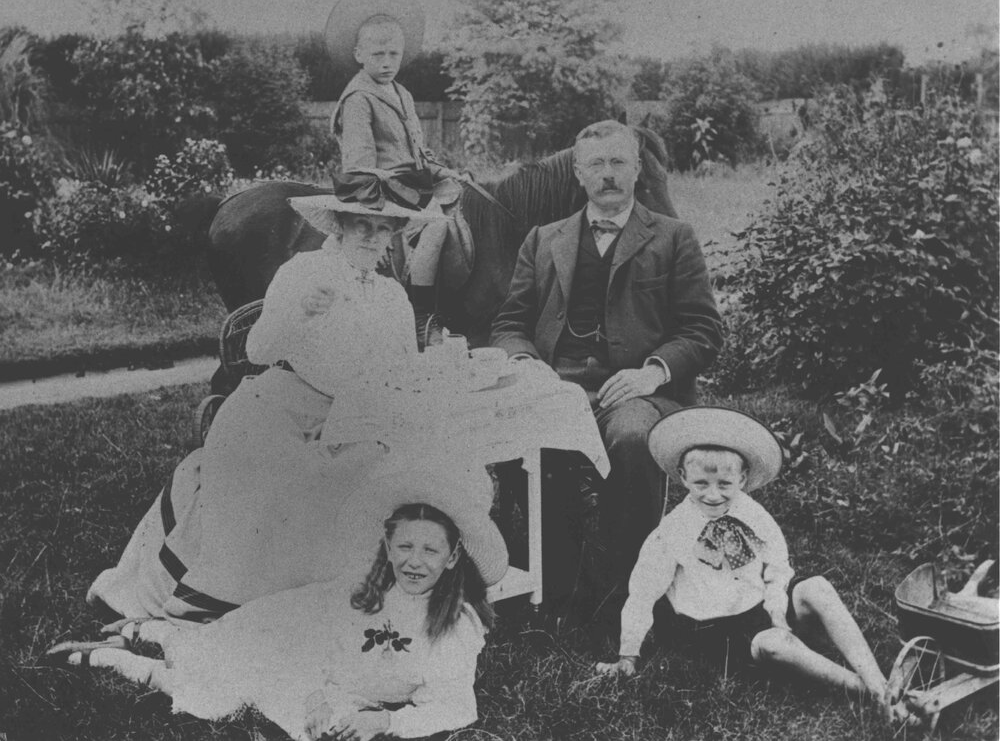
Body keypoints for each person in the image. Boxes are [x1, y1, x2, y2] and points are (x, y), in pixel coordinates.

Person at [86, 173, 449, 622]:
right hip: (284, 403)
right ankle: (223, 602)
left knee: (391, 474)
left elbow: (400, 368)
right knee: (273, 479)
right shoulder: (303, 273)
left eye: (382, 230)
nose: (372, 238)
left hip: (355, 417)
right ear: (339, 224)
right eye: (361, 226)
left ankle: (330, 604)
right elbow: (258, 351)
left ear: (393, 236)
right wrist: (299, 313)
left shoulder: (392, 295)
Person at [47, 461, 508, 741]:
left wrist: (384, 724)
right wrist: (318, 694)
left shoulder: (453, 624)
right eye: (405, 547)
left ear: (452, 559)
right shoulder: (368, 593)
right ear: (387, 547)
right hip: (298, 645)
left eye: (430, 551)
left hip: (323, 682)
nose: (414, 562)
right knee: (219, 653)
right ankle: (146, 632)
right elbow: (322, 646)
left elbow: (454, 706)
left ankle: (115, 660)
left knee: (221, 692)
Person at [490, 119, 724, 592]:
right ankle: (560, 579)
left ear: (638, 169)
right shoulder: (542, 239)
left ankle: (630, 587)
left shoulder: (674, 237)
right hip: (558, 389)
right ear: (578, 173)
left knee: (635, 438)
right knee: (521, 434)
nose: (608, 174)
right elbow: (509, 324)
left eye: (619, 162)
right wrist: (524, 362)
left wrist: (652, 374)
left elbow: (703, 330)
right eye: (596, 164)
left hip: (638, 392)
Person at [595, 406, 911, 724]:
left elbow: (777, 563)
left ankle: (878, 681)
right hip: (713, 631)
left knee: (817, 586)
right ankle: (868, 693)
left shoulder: (752, 513)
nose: (713, 495)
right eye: (701, 484)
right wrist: (628, 653)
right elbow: (643, 591)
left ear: (742, 479)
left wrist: (776, 605)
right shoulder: (674, 530)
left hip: (756, 605)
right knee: (777, 643)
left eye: (724, 484)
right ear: (683, 477)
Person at [327, 0, 460, 331]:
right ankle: (421, 313)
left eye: (394, 55)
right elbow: (358, 167)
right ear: (359, 55)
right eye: (377, 55)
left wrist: (441, 170)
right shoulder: (358, 98)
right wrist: (375, 215)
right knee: (436, 227)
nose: (387, 63)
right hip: (383, 191)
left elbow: (416, 150)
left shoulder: (401, 93)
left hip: (411, 183)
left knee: (463, 201)